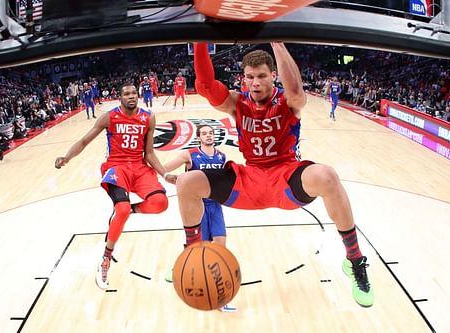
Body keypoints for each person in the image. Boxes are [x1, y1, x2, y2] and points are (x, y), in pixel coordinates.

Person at [176, 42, 374, 307]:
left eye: (261, 76)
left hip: (285, 174)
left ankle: (354, 261)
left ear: (273, 75)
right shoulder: (237, 102)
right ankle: (192, 251)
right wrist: (199, 41)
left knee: (327, 176)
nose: (255, 82)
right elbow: (206, 86)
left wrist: (278, 42)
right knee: (187, 181)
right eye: (249, 76)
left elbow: (296, 91)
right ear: (243, 77)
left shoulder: (287, 100)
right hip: (250, 178)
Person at [55, 83, 177, 290]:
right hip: (116, 167)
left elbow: (149, 153)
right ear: (119, 97)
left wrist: (164, 174)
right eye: (126, 94)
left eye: (133, 93)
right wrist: (66, 157)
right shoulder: (110, 117)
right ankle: (106, 257)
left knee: (160, 203)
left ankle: (128, 210)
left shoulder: (148, 117)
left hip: (139, 167)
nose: (131, 96)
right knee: (120, 208)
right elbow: (84, 141)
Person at [163, 124, 236, 312]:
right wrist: (169, 177)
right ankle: (182, 270)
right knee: (199, 250)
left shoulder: (221, 156)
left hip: (216, 206)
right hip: (198, 206)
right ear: (199, 137)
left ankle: (221, 297)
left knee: (221, 248)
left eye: (211, 133)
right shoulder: (189, 155)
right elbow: (164, 168)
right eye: (204, 133)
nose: (208, 136)